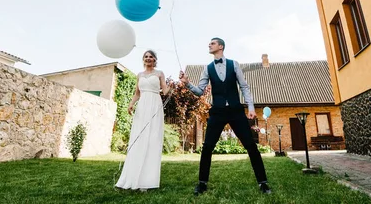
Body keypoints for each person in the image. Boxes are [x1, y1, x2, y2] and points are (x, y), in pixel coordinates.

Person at [179, 38, 271, 195]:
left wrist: (250, 106)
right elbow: (200, 91)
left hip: (236, 110)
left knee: (250, 145)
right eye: (209, 43)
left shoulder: (234, 64)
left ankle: (263, 183)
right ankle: (202, 183)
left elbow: (244, 86)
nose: (209, 45)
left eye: (213, 43)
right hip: (218, 112)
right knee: (207, 147)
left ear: (221, 46)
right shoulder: (207, 68)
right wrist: (187, 83)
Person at [115, 50, 172, 190]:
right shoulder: (139, 75)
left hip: (154, 105)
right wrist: (130, 104)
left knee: (152, 139)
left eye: (151, 56)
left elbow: (165, 91)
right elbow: (137, 93)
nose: (148, 58)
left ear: (155, 59)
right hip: (142, 107)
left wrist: (174, 85)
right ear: (143, 59)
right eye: (146, 57)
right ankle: (133, 176)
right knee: (139, 138)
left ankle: (148, 180)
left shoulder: (159, 73)